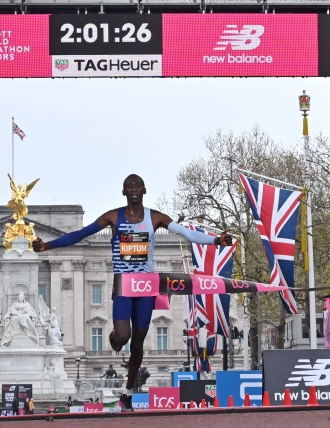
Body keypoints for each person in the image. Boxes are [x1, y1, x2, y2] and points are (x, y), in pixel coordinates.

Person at [32, 173, 232, 411]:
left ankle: (127, 392)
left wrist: (216, 241)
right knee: (123, 336)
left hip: (146, 285)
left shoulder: (154, 217)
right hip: (125, 284)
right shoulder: (113, 217)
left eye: (137, 186)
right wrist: (48, 246)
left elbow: (187, 233)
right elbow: (80, 234)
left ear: (144, 190)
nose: (134, 189)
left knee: (138, 341)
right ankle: (114, 337)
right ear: (124, 192)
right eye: (129, 186)